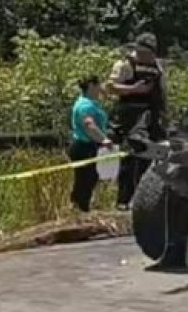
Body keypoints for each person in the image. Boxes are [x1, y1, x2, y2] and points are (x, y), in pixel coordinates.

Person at [108, 33, 166, 211]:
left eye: (149, 53)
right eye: (142, 52)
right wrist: (134, 89)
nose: (146, 57)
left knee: (153, 157)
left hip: (152, 117)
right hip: (130, 116)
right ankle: (123, 200)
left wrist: (166, 114)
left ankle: (143, 200)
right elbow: (110, 87)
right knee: (130, 159)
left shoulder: (157, 67)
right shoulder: (125, 65)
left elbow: (162, 92)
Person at [69, 76, 112, 213]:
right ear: (92, 86)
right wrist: (103, 139)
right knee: (85, 179)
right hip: (84, 146)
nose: (101, 87)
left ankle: (82, 207)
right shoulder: (85, 105)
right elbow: (89, 124)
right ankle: (80, 208)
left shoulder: (92, 102)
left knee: (91, 177)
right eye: (99, 85)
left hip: (90, 146)